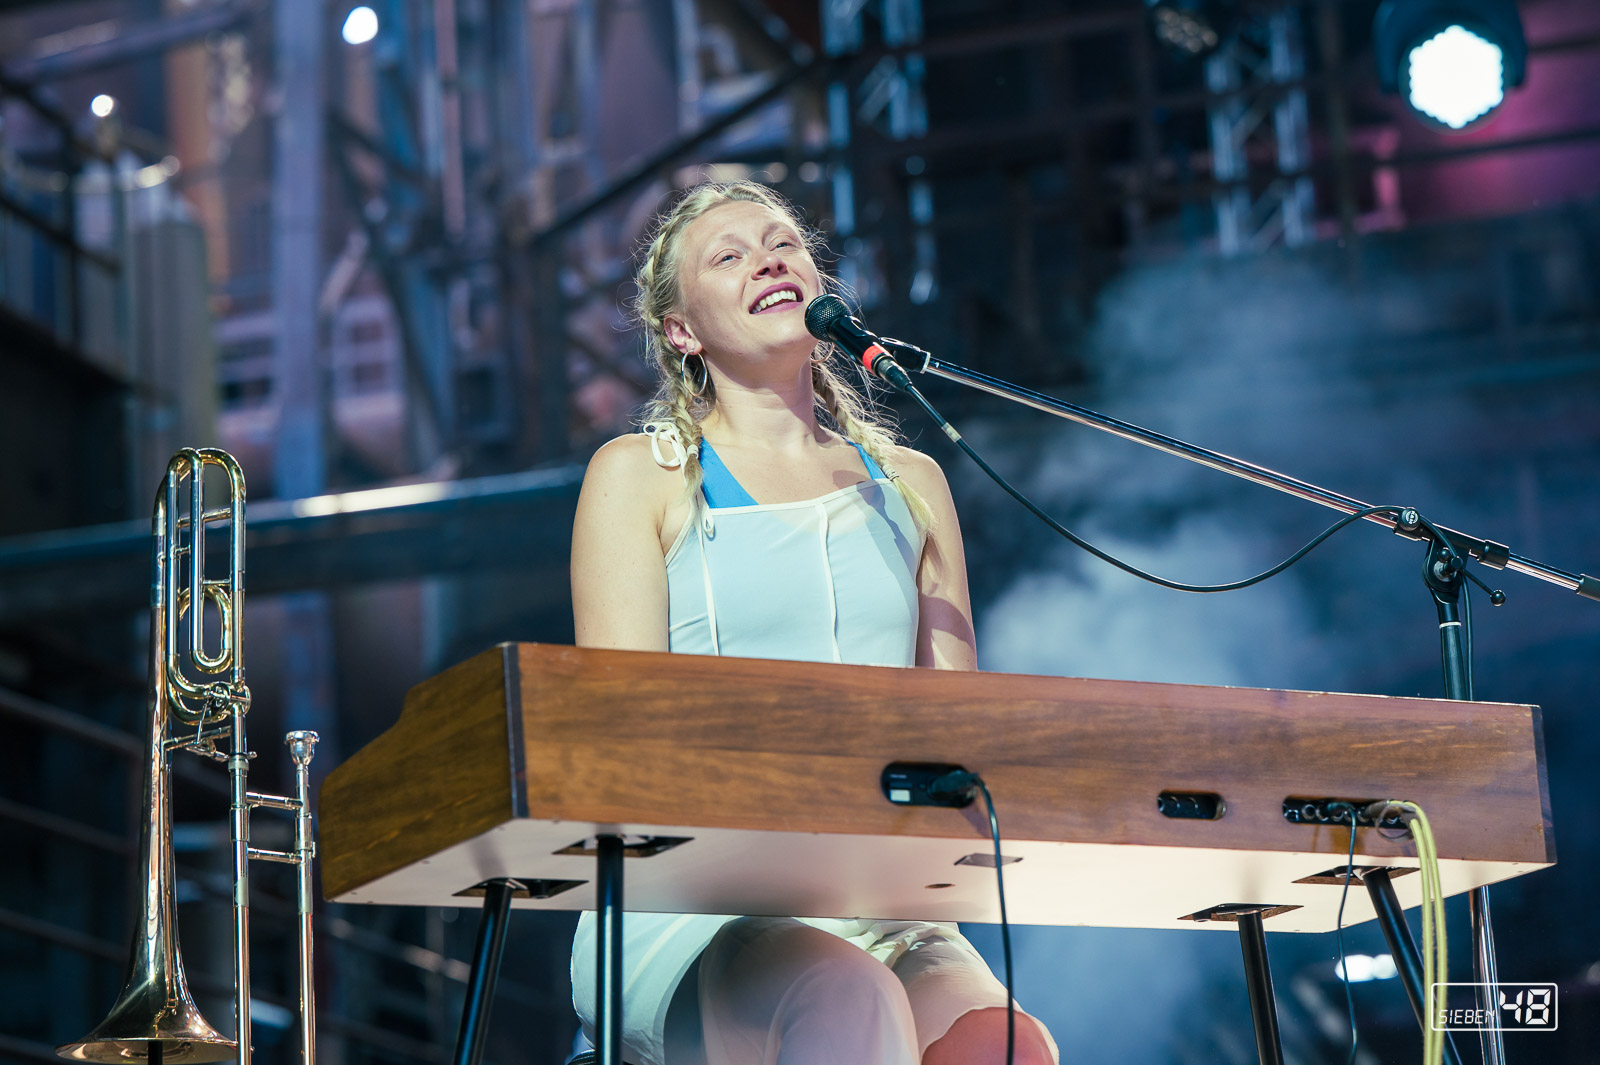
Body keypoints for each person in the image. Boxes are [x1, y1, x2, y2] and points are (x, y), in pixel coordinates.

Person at [569, 180, 1057, 1065]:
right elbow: (617, 734)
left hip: (877, 900)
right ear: (680, 331)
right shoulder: (637, 476)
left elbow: (956, 730)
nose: (769, 259)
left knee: (1009, 1042)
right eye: (729, 255)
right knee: (844, 996)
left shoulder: (912, 482)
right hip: (689, 901)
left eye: (784, 243)